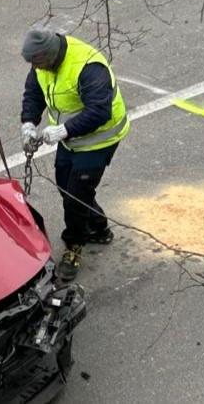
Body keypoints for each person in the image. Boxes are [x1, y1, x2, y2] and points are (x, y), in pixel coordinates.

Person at [20, 29, 130, 283]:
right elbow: (34, 94)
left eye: (36, 62)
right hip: (71, 140)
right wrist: (28, 123)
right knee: (66, 186)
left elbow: (99, 111)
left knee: (75, 197)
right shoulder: (41, 65)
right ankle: (98, 226)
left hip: (98, 141)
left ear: (49, 55)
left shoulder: (88, 68)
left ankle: (74, 246)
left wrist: (64, 130)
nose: (34, 68)